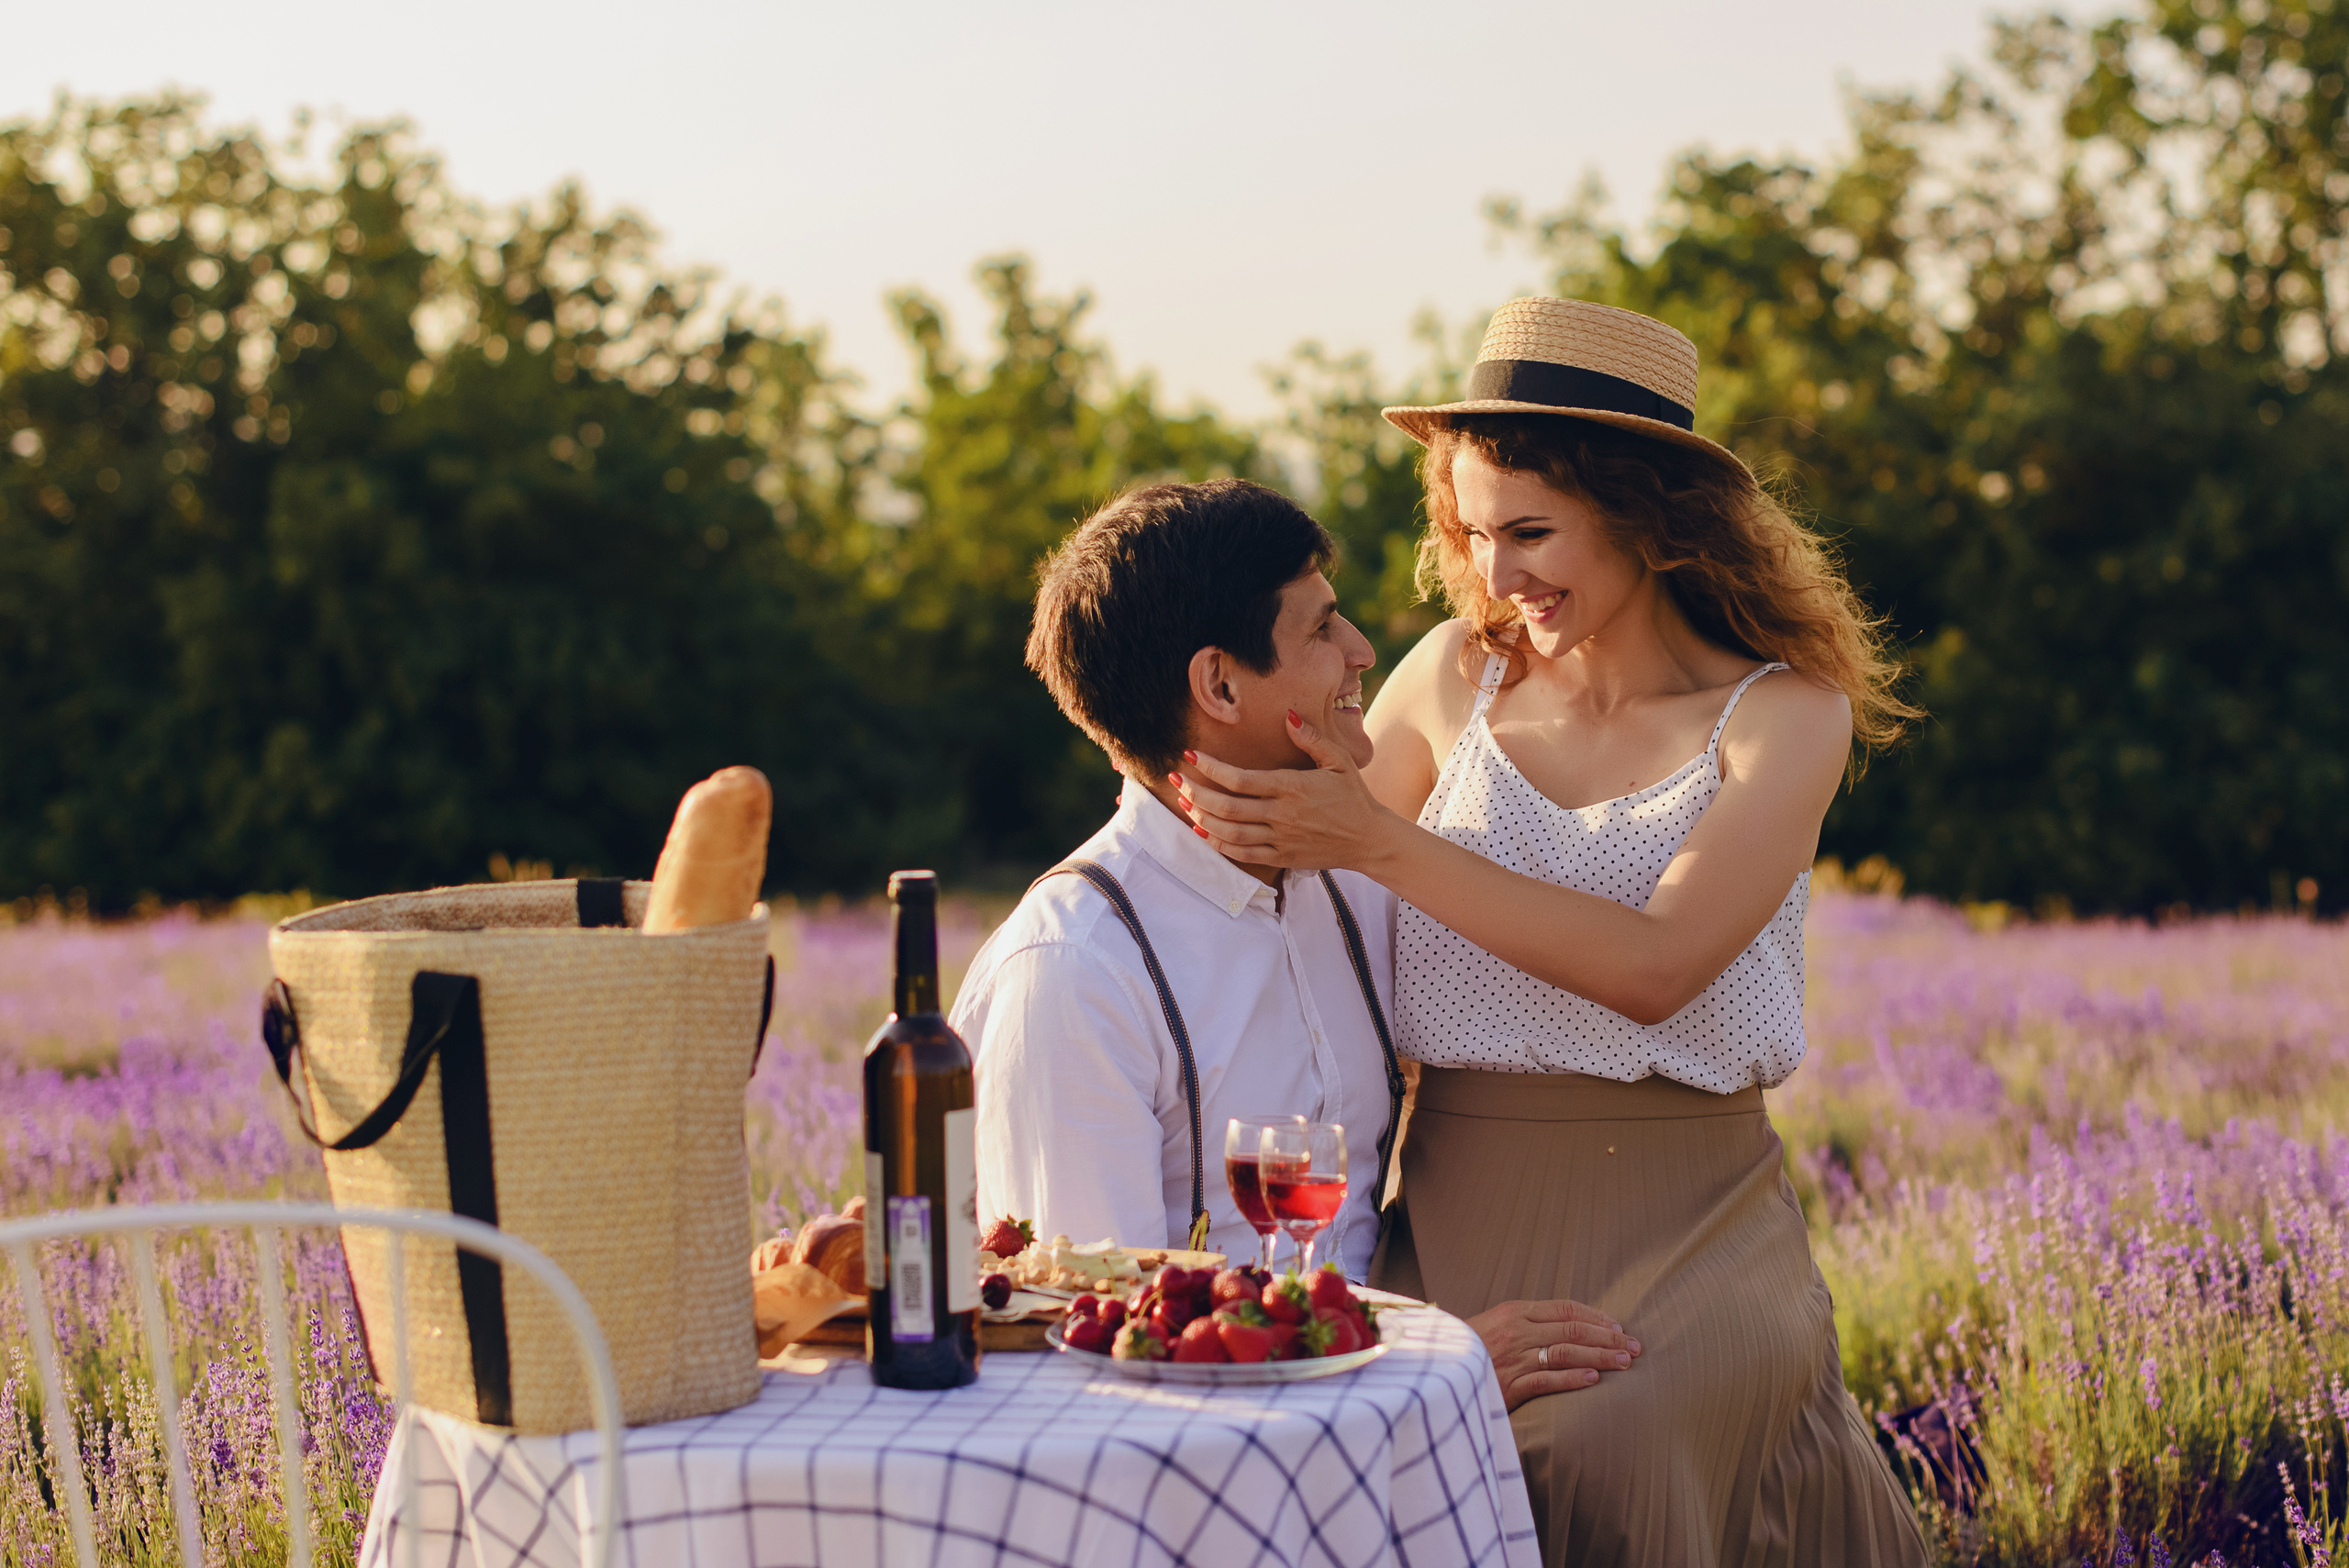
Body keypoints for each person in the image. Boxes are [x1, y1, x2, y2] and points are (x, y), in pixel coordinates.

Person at [1173, 300, 1929, 1564]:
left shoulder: (1785, 714)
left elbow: (1659, 964)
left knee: (1597, 1446)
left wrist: (1375, 838)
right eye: (1474, 534)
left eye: (1530, 532)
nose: (1495, 575)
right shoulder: (1449, 678)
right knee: (1377, 1439)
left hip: (1694, 1219)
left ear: (1647, 516)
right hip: (1450, 1204)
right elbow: (1296, 880)